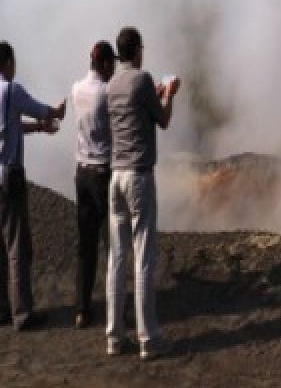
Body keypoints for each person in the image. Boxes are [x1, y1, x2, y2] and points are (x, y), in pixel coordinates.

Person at [105, 26, 181, 360]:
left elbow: (136, 108)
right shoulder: (142, 79)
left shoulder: (112, 85)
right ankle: (148, 338)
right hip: (138, 177)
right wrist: (171, 93)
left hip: (115, 177)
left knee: (117, 258)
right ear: (136, 50)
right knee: (144, 258)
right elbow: (162, 119)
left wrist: (158, 91)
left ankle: (114, 336)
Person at [0, 40, 66, 331]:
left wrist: (40, 128)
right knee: (18, 247)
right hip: (8, 178)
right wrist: (55, 112)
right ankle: (23, 315)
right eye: (13, 62)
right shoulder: (10, 90)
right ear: (7, 63)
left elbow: (11, 127)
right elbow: (38, 109)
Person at [71, 40, 117, 328]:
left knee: (85, 246)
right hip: (103, 173)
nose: (113, 68)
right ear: (103, 64)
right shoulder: (106, 92)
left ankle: (82, 309)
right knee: (113, 245)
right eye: (111, 64)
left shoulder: (77, 89)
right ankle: (117, 307)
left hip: (81, 174)